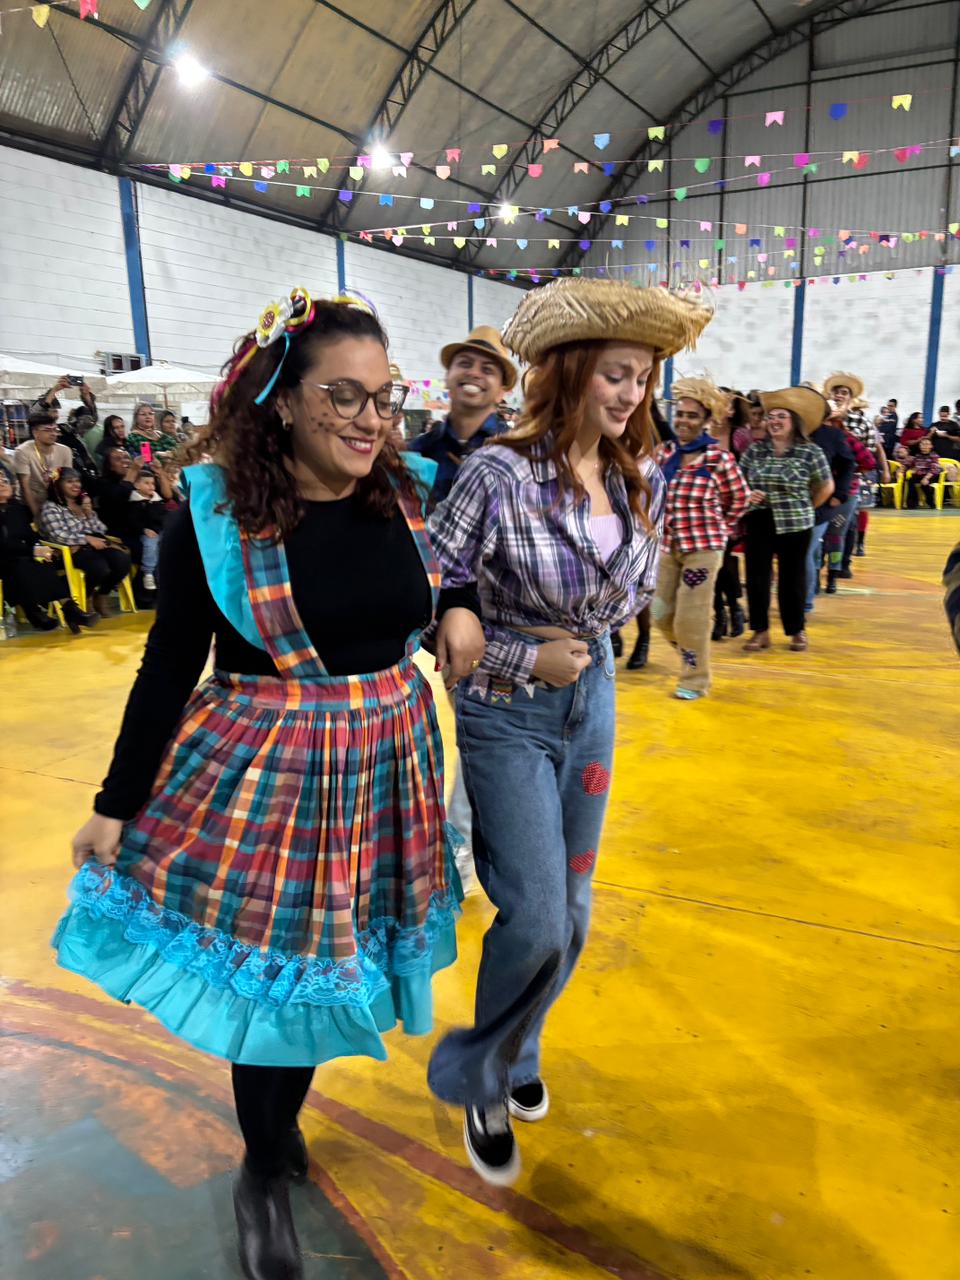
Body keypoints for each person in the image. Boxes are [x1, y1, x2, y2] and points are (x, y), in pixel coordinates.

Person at [52, 288, 484, 1280]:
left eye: (383, 395)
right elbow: (169, 663)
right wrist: (116, 802)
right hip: (271, 771)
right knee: (279, 978)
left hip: (390, 762)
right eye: (343, 394)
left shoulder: (414, 488)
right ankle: (261, 1165)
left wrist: (457, 605)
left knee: (339, 963)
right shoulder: (215, 511)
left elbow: (455, 570)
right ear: (282, 400)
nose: (370, 419)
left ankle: (278, 1130)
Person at [425, 278, 712, 1185]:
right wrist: (522, 653)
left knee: (574, 910)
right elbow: (423, 595)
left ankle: (520, 1050)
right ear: (572, 372)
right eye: (616, 374)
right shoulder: (498, 470)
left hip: (594, 704)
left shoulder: (633, 476)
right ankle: (480, 1074)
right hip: (506, 710)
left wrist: (582, 652)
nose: (631, 393)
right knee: (539, 913)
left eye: (644, 377)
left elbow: (623, 596)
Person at [652, 377, 748, 699]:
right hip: (668, 545)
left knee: (691, 618)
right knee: (659, 613)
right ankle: (692, 653)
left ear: (706, 420)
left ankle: (694, 679)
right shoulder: (665, 454)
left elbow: (739, 499)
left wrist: (721, 530)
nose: (683, 421)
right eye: (680, 414)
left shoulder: (718, 459)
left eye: (692, 416)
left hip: (703, 550)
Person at [740, 387, 834, 653]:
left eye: (781, 416)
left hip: (796, 522)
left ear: (794, 421)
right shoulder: (755, 451)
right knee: (757, 577)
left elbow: (826, 486)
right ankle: (760, 632)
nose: (774, 421)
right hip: (759, 519)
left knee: (792, 578)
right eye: (770, 417)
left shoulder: (810, 452)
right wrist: (748, 494)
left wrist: (807, 507)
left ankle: (796, 630)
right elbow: (738, 482)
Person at [406, 325, 517, 507]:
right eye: (465, 363)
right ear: (447, 377)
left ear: (501, 392)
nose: (474, 373)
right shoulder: (418, 452)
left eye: (487, 370)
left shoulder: (517, 453)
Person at [0, 469, 96, 633]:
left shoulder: (17, 509)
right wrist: (33, 550)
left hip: (21, 555)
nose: (2, 484)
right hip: (4, 559)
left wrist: (41, 548)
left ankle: (69, 609)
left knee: (43, 562)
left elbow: (30, 535)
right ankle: (34, 610)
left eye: (5, 481)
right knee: (22, 564)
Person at [38, 467, 132, 616]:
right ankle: (86, 597)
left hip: (92, 546)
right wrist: (86, 539)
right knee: (99, 568)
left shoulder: (82, 504)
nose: (76, 485)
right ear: (58, 485)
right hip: (69, 551)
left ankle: (102, 595)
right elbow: (58, 535)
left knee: (122, 560)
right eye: (70, 481)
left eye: (77, 481)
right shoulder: (51, 507)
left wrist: (89, 514)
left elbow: (101, 530)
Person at [710, 390, 753, 639]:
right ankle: (724, 612)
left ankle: (731, 610)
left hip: (733, 510)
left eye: (725, 403)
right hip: (707, 510)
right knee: (714, 564)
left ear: (733, 410)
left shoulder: (740, 436)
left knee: (721, 561)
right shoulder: (705, 433)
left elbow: (750, 469)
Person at [807, 409, 856, 612]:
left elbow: (850, 463)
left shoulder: (832, 435)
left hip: (821, 503)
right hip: (787, 506)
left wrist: (840, 493)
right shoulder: (787, 432)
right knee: (801, 554)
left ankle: (806, 602)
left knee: (811, 550)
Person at [12, 409, 74, 518]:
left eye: (55, 430)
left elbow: (68, 481)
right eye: (48, 430)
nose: (53, 434)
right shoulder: (23, 452)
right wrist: (37, 516)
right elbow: (25, 488)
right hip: (30, 503)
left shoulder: (65, 451)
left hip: (56, 503)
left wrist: (70, 508)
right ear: (35, 433)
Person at [127, 467, 166, 591]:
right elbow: (133, 521)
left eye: (152, 483)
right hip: (145, 532)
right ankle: (148, 572)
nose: (151, 486)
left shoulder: (157, 501)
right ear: (137, 485)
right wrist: (144, 530)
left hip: (159, 531)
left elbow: (162, 517)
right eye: (147, 483)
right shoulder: (134, 503)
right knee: (150, 545)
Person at [823, 372, 871, 444]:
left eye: (844, 393)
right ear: (831, 396)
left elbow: (869, 448)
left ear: (850, 398)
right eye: (836, 392)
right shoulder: (821, 419)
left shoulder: (862, 421)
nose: (839, 395)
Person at [906, 437, 941, 508]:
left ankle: (930, 502)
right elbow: (910, 465)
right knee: (910, 480)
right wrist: (904, 468)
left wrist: (926, 478)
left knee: (924, 483)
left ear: (931, 446)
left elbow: (934, 469)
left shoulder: (934, 456)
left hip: (931, 475)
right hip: (920, 475)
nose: (925, 446)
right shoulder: (917, 456)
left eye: (927, 444)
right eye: (922, 444)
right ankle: (912, 503)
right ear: (919, 446)